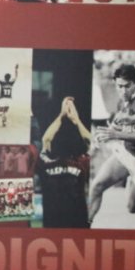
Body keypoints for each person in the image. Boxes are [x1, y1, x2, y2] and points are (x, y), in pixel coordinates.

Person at [87, 64, 135, 225]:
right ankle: (86, 224)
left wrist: (116, 135)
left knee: (133, 207)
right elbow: (120, 125)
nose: (123, 90)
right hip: (128, 153)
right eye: (119, 86)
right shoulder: (122, 101)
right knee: (97, 185)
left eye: (127, 86)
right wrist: (105, 133)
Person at [37, 97, 92, 228]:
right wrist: (76, 120)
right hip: (75, 223)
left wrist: (61, 116)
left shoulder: (46, 163)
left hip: (54, 224)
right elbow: (91, 142)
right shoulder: (81, 163)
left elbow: (46, 139)